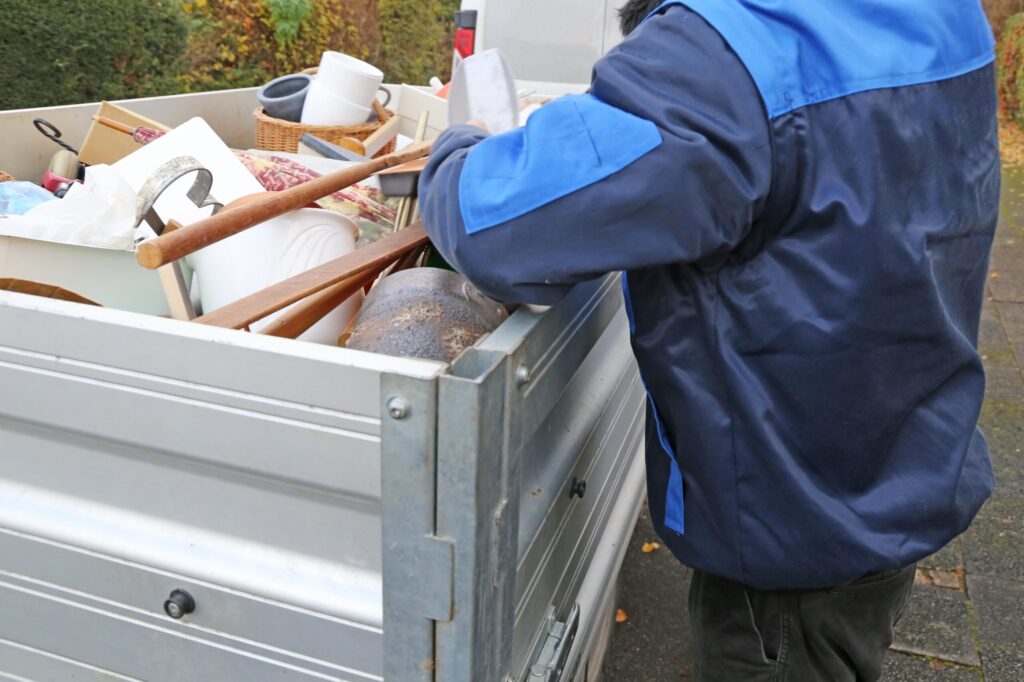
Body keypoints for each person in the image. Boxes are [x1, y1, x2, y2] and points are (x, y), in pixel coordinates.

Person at [418, 1, 999, 679]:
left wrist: (460, 143)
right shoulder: (945, 12)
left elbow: (495, 225)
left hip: (793, 539)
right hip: (894, 471)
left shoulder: (727, 51)